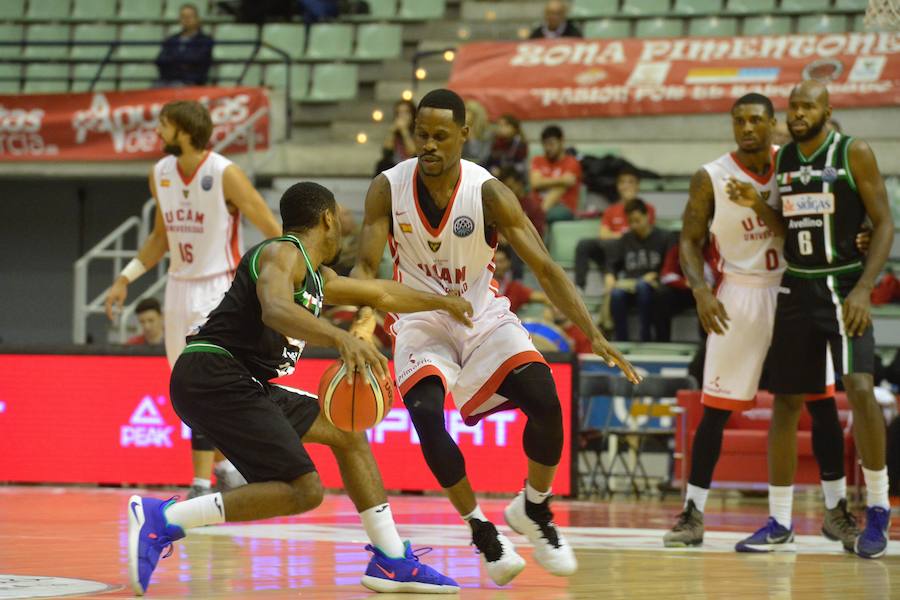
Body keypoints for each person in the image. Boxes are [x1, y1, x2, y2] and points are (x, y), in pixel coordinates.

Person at [350, 88, 640, 586]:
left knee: (546, 401)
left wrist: (593, 333)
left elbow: (546, 268)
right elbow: (363, 267)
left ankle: (534, 508)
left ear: (466, 135)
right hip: (420, 318)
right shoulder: (387, 188)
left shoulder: (488, 193)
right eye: (422, 135)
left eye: (441, 136)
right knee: (425, 416)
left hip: (482, 314)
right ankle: (480, 528)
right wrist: (362, 319)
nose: (430, 145)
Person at [128, 181, 470, 596]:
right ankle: (165, 520)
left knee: (346, 433)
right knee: (304, 489)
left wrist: (443, 301)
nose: (344, 226)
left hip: (241, 381)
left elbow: (381, 291)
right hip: (214, 373)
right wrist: (340, 337)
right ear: (327, 218)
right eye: (340, 217)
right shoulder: (280, 252)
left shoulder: (316, 276)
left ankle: (391, 558)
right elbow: (275, 309)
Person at [663, 93, 857, 551]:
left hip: (797, 286)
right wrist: (702, 290)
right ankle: (692, 513)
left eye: (756, 120)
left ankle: (836, 511)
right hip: (741, 291)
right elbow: (689, 241)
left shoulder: (793, 165)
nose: (747, 127)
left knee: (821, 399)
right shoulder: (710, 176)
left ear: (774, 123)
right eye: (738, 120)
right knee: (716, 408)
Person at [729, 81, 893, 558]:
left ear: (827, 109)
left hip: (843, 285)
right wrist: (758, 205)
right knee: (784, 402)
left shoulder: (853, 151)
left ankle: (879, 509)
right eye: (793, 107)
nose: (798, 114)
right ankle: (780, 519)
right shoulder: (784, 160)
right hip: (797, 285)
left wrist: (864, 286)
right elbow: (786, 226)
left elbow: (883, 222)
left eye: (807, 106)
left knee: (860, 389)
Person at [105, 100, 283, 500]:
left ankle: (202, 484)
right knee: (187, 388)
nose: (158, 132)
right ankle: (225, 467)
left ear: (184, 131)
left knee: (201, 381)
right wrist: (125, 277)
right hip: (178, 287)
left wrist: (286, 270)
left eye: (164, 125)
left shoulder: (225, 174)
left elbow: (268, 224)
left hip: (219, 288)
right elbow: (159, 239)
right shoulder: (160, 174)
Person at [574, 165, 656, 292]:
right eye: (622, 182)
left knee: (616, 245)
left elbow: (644, 233)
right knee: (585, 244)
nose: (626, 186)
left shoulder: (647, 209)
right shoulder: (611, 210)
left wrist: (619, 235)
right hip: (612, 249)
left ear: (638, 186)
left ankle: (612, 280)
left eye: (630, 182)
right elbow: (603, 235)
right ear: (617, 186)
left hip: (634, 251)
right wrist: (624, 235)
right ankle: (579, 287)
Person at [604, 199, 671, 342]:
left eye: (637, 220)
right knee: (616, 294)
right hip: (630, 285)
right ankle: (621, 340)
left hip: (653, 287)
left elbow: (670, 266)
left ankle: (644, 337)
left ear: (647, 216)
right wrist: (610, 275)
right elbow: (612, 263)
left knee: (643, 286)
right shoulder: (626, 239)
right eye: (630, 222)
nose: (634, 225)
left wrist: (656, 274)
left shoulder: (664, 237)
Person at [529, 125, 582, 226]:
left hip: (562, 207)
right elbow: (535, 183)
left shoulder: (571, 162)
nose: (548, 148)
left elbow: (562, 187)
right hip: (536, 205)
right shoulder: (538, 160)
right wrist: (561, 179)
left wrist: (543, 182)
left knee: (545, 216)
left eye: (551, 144)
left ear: (561, 142)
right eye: (545, 144)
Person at [155, 4, 214, 87]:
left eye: (190, 16)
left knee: (175, 86)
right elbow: (160, 60)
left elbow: (197, 61)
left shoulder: (205, 40)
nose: (187, 19)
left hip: (191, 82)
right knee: (155, 88)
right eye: (183, 16)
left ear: (197, 19)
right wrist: (182, 63)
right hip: (167, 80)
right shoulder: (172, 39)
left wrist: (174, 62)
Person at [494, 244, 548, 314]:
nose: (498, 265)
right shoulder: (483, 286)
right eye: (495, 261)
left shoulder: (515, 288)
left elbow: (542, 297)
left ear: (508, 263)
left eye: (501, 261)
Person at [376, 99, 417, 175]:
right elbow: (386, 152)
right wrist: (391, 132)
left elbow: (413, 153)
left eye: (406, 112)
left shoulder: (418, 131)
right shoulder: (395, 131)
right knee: (382, 164)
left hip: (411, 166)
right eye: (399, 113)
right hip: (395, 166)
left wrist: (404, 131)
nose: (402, 116)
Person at [485, 114, 528, 180]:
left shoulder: (520, 143)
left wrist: (503, 172)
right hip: (497, 175)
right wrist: (493, 168)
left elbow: (520, 166)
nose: (501, 128)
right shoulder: (496, 142)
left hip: (515, 177)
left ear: (514, 128)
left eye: (506, 125)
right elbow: (489, 161)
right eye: (499, 125)